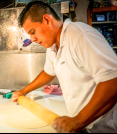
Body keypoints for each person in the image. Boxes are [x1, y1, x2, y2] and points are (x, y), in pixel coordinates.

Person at [11, 1, 117, 133]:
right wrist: (23, 91)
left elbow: (112, 82)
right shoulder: (52, 46)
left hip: (102, 124)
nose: (32, 39)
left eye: (33, 32)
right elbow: (48, 72)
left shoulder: (79, 35)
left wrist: (78, 120)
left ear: (46, 20)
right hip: (83, 123)